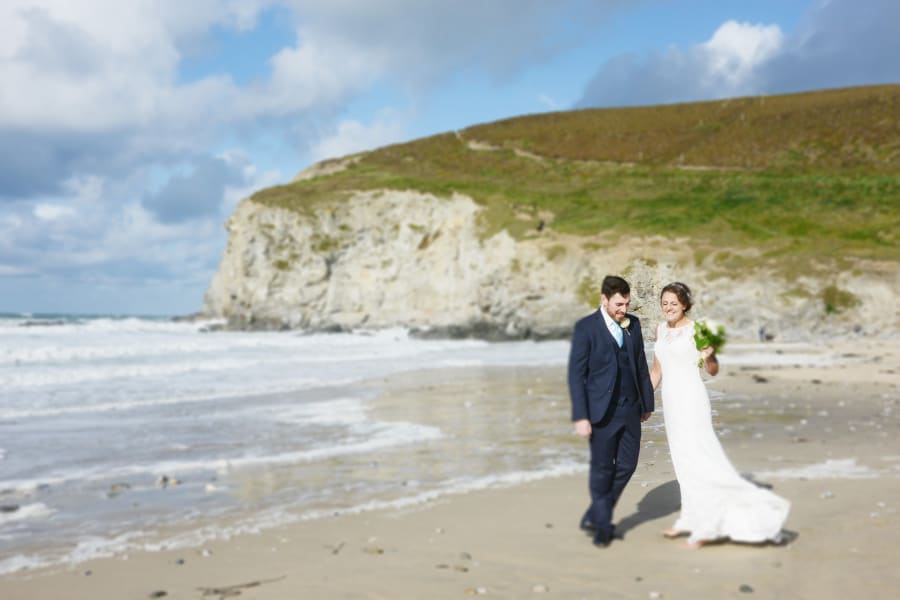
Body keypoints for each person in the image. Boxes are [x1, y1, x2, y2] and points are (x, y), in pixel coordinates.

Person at [650, 282, 790, 547]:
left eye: (674, 303)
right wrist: (643, 401)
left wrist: (710, 356)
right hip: (670, 403)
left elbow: (712, 370)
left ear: (685, 305)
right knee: (683, 461)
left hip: (691, 400)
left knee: (702, 457)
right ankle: (690, 520)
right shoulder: (660, 330)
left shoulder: (699, 329)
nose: (668, 308)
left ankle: (711, 525)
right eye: (665, 303)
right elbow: (657, 371)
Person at [567, 275, 655, 547]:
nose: (623, 310)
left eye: (627, 304)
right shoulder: (586, 328)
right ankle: (602, 527)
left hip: (631, 409)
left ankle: (595, 512)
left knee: (627, 466)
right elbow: (576, 374)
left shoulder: (634, 325)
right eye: (618, 304)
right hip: (601, 412)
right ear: (603, 299)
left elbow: (640, 365)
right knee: (603, 470)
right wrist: (581, 416)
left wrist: (647, 403)